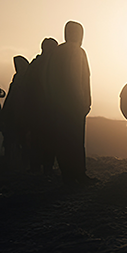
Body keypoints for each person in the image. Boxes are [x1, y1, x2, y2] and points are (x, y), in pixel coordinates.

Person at [46, 21, 94, 185]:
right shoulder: (77, 51)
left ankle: (66, 173)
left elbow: (49, 78)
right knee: (76, 139)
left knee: (62, 138)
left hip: (58, 104)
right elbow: (76, 78)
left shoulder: (57, 52)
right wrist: (83, 102)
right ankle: (79, 173)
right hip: (74, 104)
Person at [24, 38, 58, 174]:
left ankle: (35, 168)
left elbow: (26, 87)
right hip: (48, 110)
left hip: (34, 110)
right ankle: (47, 169)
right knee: (49, 140)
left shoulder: (34, 64)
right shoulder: (53, 65)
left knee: (36, 141)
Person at [0, 55, 30, 164]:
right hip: (20, 115)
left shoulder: (20, 81)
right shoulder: (26, 79)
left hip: (20, 116)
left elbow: (10, 99)